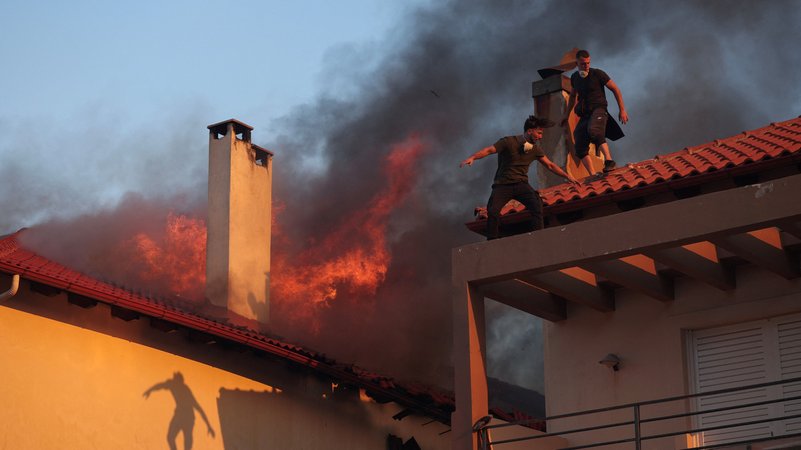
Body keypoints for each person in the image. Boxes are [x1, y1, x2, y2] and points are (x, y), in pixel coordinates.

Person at [460, 115, 578, 240]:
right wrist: (472, 157)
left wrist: (567, 176)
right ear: (529, 131)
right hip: (502, 185)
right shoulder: (508, 142)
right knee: (493, 211)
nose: (540, 136)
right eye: (539, 133)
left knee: (536, 204)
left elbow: (550, 165)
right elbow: (489, 150)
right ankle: (492, 241)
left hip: (521, 184)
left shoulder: (535, 150)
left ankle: (539, 237)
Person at [562, 49, 629, 175]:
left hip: (599, 109)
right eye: (583, 64)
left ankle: (609, 161)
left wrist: (622, 110)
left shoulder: (598, 74)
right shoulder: (575, 78)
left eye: (588, 63)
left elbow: (615, 89)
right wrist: (566, 115)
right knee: (579, 142)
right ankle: (592, 175)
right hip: (585, 114)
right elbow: (572, 97)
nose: (586, 66)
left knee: (594, 130)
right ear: (577, 64)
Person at [143, 371, 216, 450]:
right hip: (179, 415)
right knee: (170, 437)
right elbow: (160, 385)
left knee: (187, 441)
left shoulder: (186, 391)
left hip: (188, 417)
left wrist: (208, 425)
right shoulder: (172, 384)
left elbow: (198, 408)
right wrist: (149, 390)